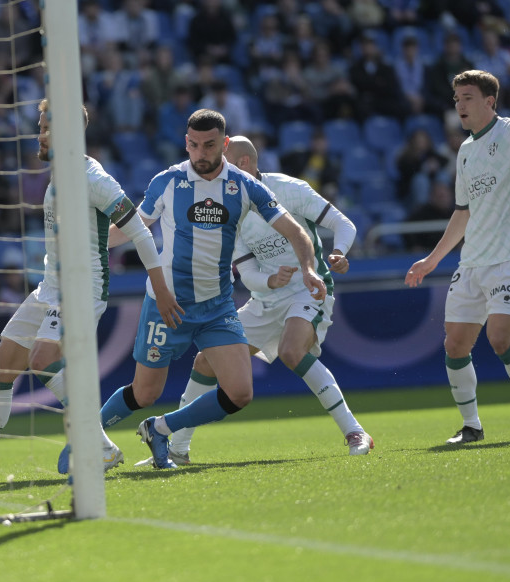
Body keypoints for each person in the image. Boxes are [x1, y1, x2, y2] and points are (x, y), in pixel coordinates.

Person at [0, 98, 180, 484]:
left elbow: (139, 230)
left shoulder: (94, 180)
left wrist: (159, 286)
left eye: (46, 127)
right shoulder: (60, 174)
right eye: (40, 125)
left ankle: (99, 445)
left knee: (42, 359)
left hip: (81, 288)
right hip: (50, 287)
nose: (40, 133)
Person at [91, 109, 327, 469]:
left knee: (240, 393)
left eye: (209, 145)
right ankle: (88, 437)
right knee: (145, 392)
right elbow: (130, 230)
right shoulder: (167, 181)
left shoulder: (245, 186)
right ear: (186, 143)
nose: (200, 153)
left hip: (217, 306)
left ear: (225, 144)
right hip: (168, 302)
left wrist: (308, 269)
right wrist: (88, 241)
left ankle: (161, 428)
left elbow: (296, 232)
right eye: (193, 145)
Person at [150, 135, 372, 465]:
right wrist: (269, 280)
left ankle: (354, 431)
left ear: (241, 164)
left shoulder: (289, 188)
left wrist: (338, 251)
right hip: (265, 298)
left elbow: (343, 223)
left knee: (291, 351)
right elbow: (247, 272)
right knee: (205, 362)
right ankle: (178, 448)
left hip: (307, 289)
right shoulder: (228, 205)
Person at [405, 69, 510, 444]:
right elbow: (462, 212)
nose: (459, 105)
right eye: (456, 99)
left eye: (467, 97)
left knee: (501, 337)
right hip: (471, 263)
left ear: (489, 101)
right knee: (455, 345)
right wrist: (432, 259)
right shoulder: (465, 152)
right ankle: (471, 427)